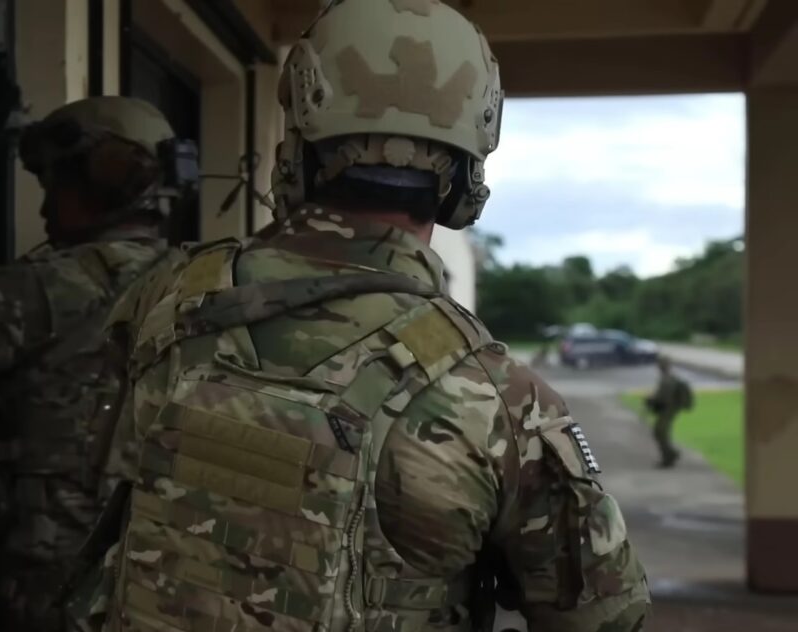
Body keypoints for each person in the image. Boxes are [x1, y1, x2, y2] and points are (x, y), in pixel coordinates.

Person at [69, 2, 650, 631]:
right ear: (467, 177)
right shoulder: (498, 400)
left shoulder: (166, 297)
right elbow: (606, 618)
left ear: (296, 148)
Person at [0, 96, 190, 631]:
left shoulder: (52, 286)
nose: (43, 212)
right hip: (162, 580)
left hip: (59, 590)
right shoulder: (202, 284)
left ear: (102, 179)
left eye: (54, 188)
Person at [646, 356, 693, 468]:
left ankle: (669, 456)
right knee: (659, 432)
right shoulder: (666, 378)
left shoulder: (668, 380)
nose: (660, 367)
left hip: (669, 409)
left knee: (660, 431)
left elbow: (663, 397)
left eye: (662, 364)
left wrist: (651, 400)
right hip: (668, 409)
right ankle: (670, 455)